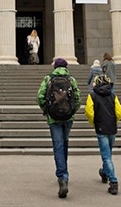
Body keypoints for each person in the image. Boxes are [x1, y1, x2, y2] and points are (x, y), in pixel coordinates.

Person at [37, 57, 80, 199]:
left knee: (58, 146)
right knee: (64, 144)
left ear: (55, 67)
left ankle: (62, 177)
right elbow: (78, 98)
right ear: (66, 67)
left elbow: (40, 96)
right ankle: (64, 173)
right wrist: (72, 111)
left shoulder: (48, 79)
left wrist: (47, 110)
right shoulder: (71, 80)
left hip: (54, 118)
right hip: (68, 118)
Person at [85, 74, 121, 195]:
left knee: (106, 156)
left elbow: (89, 112)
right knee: (108, 153)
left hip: (101, 128)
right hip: (112, 128)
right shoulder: (113, 95)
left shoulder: (92, 95)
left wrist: (94, 123)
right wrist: (114, 121)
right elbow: (120, 111)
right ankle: (104, 172)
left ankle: (113, 181)